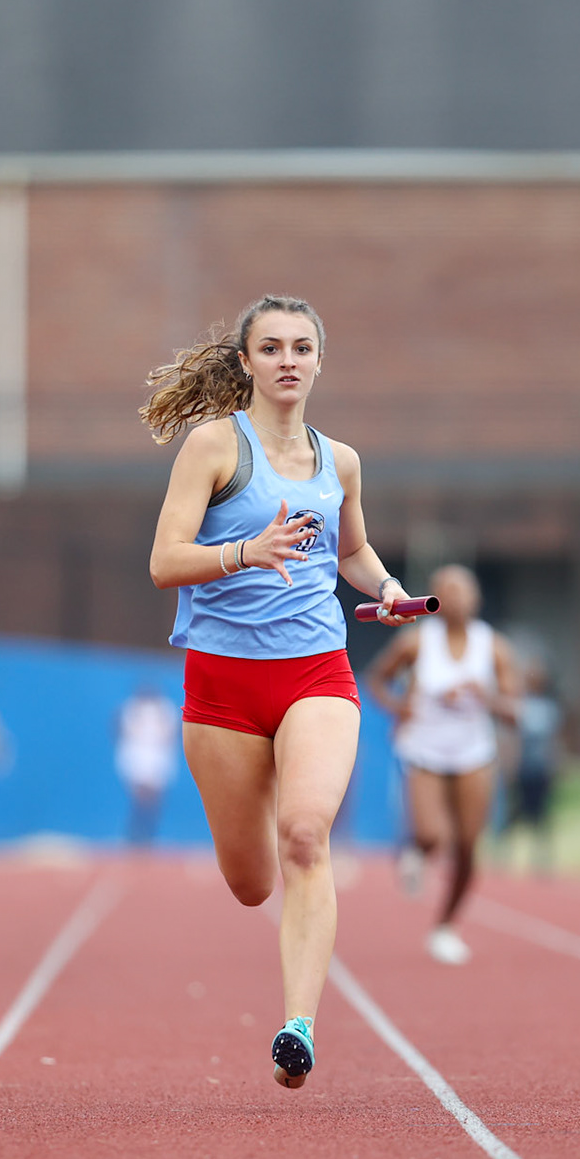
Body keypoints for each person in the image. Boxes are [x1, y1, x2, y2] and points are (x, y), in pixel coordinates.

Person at [145, 294, 416, 1091]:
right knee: (251, 882)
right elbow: (164, 562)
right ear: (247, 362)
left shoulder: (342, 462)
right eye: (272, 348)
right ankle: (260, 829)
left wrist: (388, 588)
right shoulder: (213, 447)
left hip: (315, 669)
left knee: (304, 835)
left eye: (301, 347)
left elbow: (351, 551)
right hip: (223, 683)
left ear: (319, 361)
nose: (288, 360)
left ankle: (298, 1026)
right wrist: (245, 551)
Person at [368, 565, 518, 964]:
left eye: (463, 591)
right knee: (432, 833)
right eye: (447, 591)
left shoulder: (493, 646)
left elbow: (514, 710)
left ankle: (446, 926)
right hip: (424, 749)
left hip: (473, 752)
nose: (456, 598)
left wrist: (485, 696)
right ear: (433, 598)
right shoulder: (416, 642)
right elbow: (377, 679)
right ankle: (416, 852)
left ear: (476, 597)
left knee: (467, 845)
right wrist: (399, 708)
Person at [507, 658, 564, 875]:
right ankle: (506, 855)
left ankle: (541, 859)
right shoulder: (520, 706)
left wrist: (556, 764)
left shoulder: (550, 708)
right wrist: (511, 765)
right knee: (516, 813)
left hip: (541, 769)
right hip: (523, 768)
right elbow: (514, 739)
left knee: (543, 815)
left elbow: (554, 740)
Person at [116, 682, 180, 847]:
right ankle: (135, 834)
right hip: (139, 755)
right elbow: (126, 731)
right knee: (140, 796)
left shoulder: (165, 709)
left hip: (158, 756)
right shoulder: (132, 708)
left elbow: (170, 733)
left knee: (154, 799)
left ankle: (147, 835)